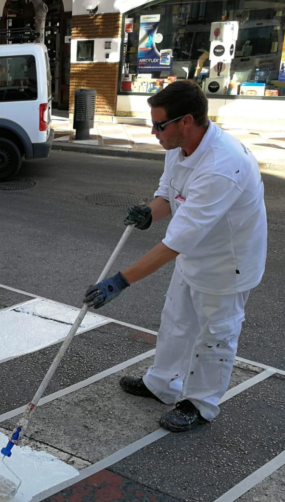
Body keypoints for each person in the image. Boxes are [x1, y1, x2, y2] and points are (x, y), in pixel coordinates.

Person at [83, 80, 267, 433]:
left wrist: (119, 281)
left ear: (186, 121)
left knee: (215, 334)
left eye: (159, 125)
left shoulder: (222, 166)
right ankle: (162, 383)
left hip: (227, 264)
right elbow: (169, 194)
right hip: (194, 253)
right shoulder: (178, 146)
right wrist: (149, 213)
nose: (153, 132)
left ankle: (199, 403)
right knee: (176, 321)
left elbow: (174, 244)